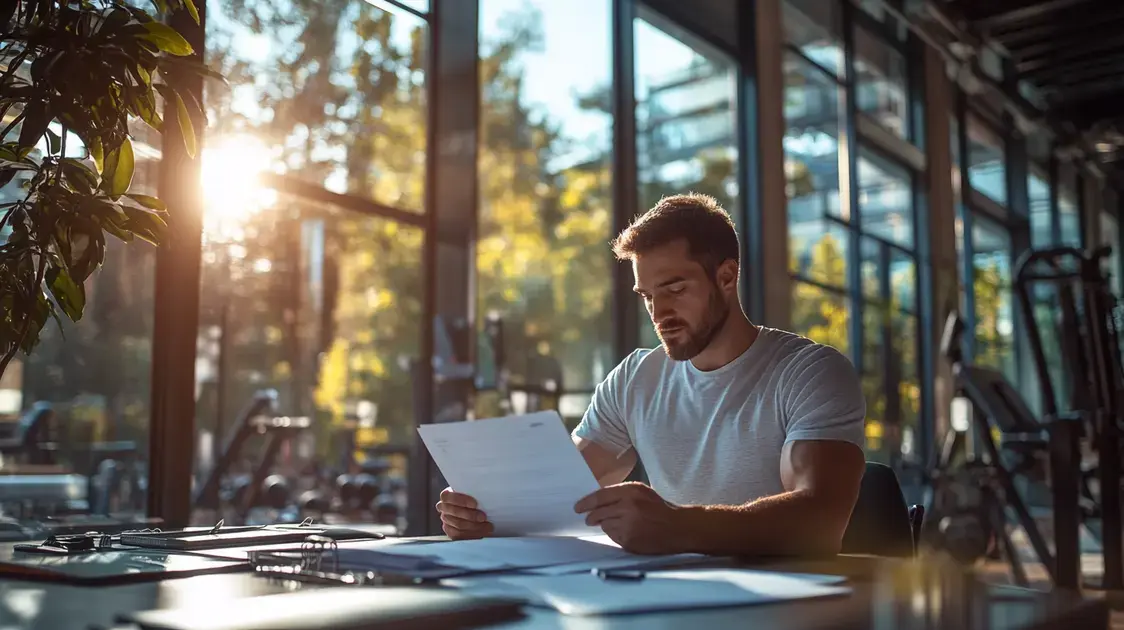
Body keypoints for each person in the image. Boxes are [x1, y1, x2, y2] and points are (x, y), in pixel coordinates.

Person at [436, 193, 867, 557]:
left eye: (675, 289)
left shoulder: (810, 372)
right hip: (666, 602)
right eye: (647, 296)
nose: (659, 314)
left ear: (726, 276)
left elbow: (820, 521)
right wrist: (486, 515)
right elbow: (558, 491)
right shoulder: (634, 378)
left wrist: (678, 526)